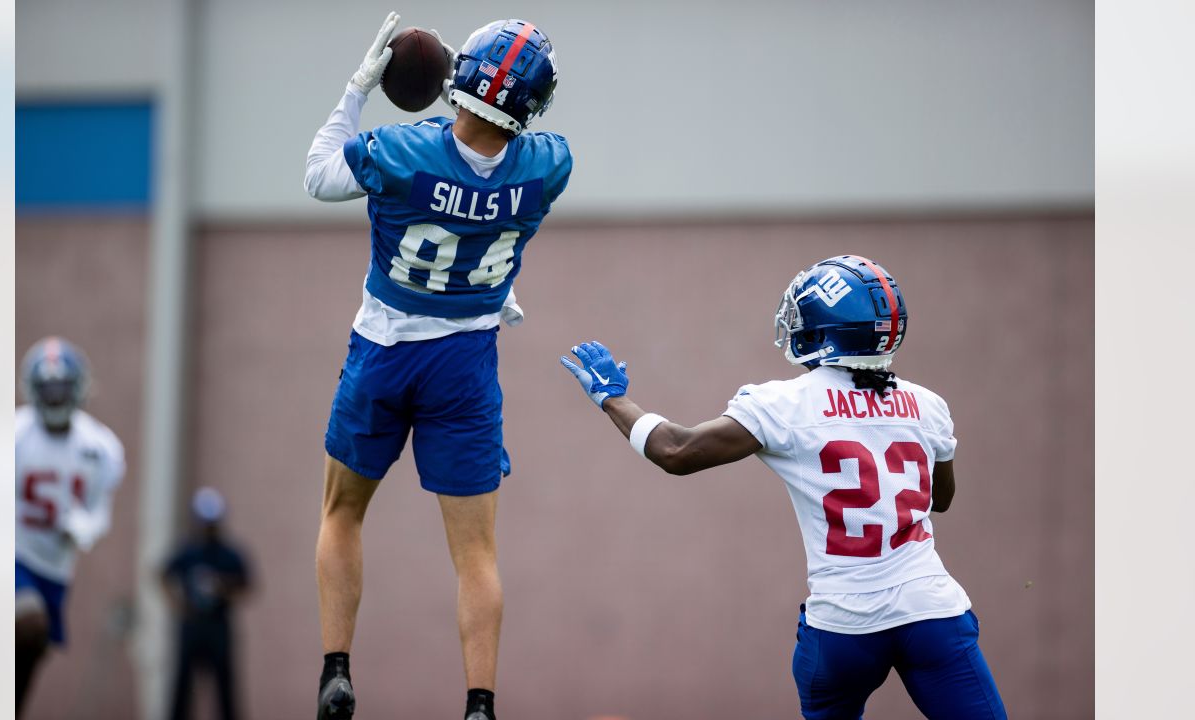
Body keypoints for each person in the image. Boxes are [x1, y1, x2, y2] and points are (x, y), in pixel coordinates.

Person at [560, 255, 1008, 720]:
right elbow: (942, 499)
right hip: (931, 613)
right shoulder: (928, 405)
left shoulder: (786, 404)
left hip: (843, 626)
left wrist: (613, 398)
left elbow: (676, 451)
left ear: (826, 327)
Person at [303, 12, 569, 720]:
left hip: (383, 351)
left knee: (341, 512)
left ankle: (336, 668)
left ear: (462, 83)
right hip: (465, 363)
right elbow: (489, 204)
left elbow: (319, 177)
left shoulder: (402, 151)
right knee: (477, 554)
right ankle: (479, 703)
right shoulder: (550, 167)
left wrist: (357, 89)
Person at [15, 336, 125, 716]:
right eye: (47, 388)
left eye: (62, 387)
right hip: (12, 552)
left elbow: (99, 515)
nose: (55, 396)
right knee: (27, 624)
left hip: (55, 568)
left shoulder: (100, 447)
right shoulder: (15, 436)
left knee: (29, 652)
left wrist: (83, 527)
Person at [161, 487, 252, 720]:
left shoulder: (229, 554)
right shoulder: (188, 551)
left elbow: (247, 586)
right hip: (192, 626)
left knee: (225, 686)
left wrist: (224, 589)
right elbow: (162, 574)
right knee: (182, 685)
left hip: (218, 626)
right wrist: (178, 604)